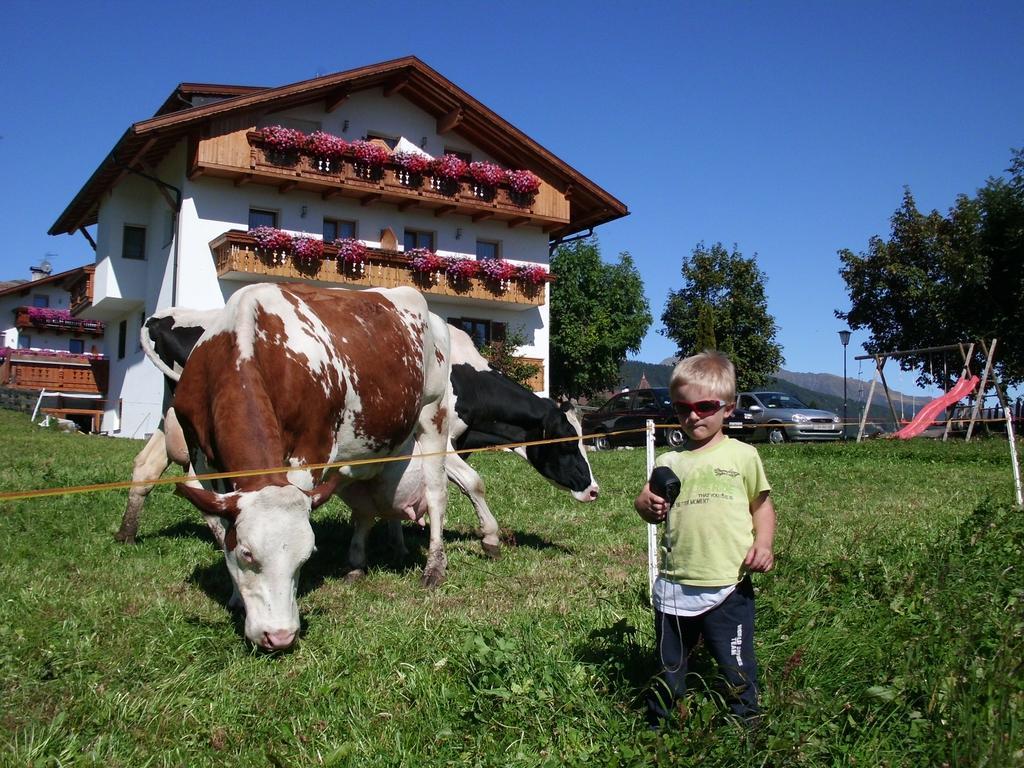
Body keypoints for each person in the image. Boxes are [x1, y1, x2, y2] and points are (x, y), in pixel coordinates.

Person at [634, 350, 776, 728]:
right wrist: (645, 503)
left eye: (705, 406)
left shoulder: (743, 456)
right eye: (682, 408)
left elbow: (762, 506)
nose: (693, 415)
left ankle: (745, 722)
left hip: (728, 585)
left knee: (737, 665)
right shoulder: (669, 461)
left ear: (728, 408)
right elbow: (647, 503)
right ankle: (658, 725)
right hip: (676, 585)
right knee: (670, 667)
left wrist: (763, 544)